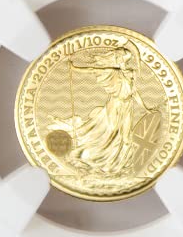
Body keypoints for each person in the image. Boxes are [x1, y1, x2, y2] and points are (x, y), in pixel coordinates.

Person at [48, 44, 160, 176]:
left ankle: (121, 165)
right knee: (109, 134)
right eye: (122, 58)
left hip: (127, 108)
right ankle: (102, 161)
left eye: (126, 59)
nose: (124, 61)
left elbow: (134, 92)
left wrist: (146, 109)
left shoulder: (131, 72)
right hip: (114, 107)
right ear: (117, 58)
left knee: (125, 138)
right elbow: (91, 69)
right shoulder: (113, 71)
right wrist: (74, 67)